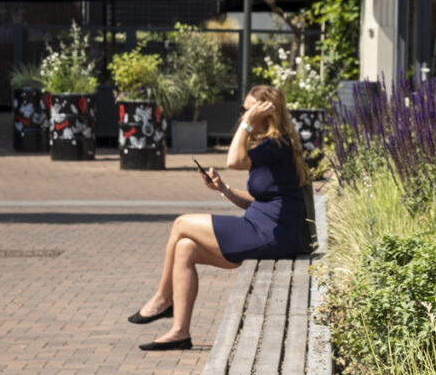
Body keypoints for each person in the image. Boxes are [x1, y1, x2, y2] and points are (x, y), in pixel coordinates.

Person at [129, 81, 312, 352]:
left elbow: (233, 162)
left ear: (265, 115)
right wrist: (224, 189)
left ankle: (162, 299)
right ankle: (179, 332)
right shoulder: (272, 145)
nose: (242, 115)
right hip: (264, 228)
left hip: (273, 235)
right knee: (185, 248)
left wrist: (247, 124)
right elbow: (263, 200)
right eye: (242, 110)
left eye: (248, 111)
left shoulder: (278, 144)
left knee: (181, 223)